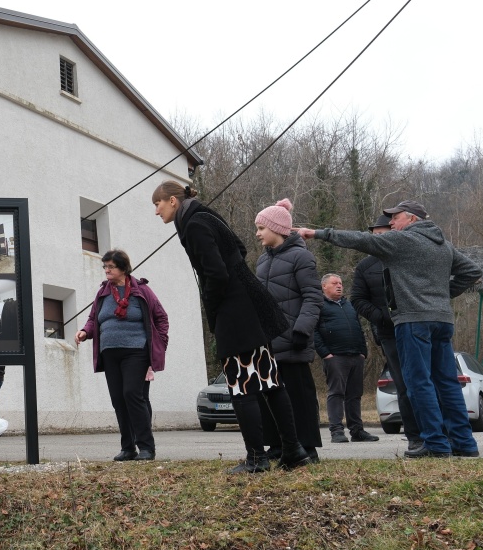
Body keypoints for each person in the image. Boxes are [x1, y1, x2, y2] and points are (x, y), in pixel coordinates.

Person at [298, 200, 483, 458]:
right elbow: (473, 271)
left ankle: (436, 444)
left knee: (419, 384)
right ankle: (465, 444)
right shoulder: (444, 245)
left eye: (395, 218)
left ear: (412, 219)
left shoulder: (402, 241)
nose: (391, 223)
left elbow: (360, 240)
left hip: (412, 321)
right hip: (442, 321)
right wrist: (441, 295)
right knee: (447, 383)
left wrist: (316, 233)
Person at [151, 181, 310, 472]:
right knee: (270, 381)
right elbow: (238, 247)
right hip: (249, 303)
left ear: (172, 201)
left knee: (241, 385)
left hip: (235, 311)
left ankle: (257, 458)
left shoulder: (195, 225)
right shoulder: (207, 216)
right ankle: (294, 451)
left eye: (157, 204)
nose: (156, 211)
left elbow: (215, 273)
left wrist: (213, 306)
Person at [75, 249, 170, 461]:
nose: (107, 270)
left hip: (137, 351)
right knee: (118, 399)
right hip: (110, 353)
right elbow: (93, 320)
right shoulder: (103, 293)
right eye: (105, 267)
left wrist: (160, 343)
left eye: (111, 267)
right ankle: (128, 448)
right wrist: (84, 332)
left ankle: (146, 447)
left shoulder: (142, 290)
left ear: (123, 268)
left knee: (132, 395)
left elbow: (161, 317)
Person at [252, 199, 324, 462]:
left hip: (294, 340)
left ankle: (308, 446)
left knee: (299, 396)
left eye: (261, 228)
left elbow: (313, 297)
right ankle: (278, 445)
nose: (258, 233)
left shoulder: (301, 257)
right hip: (267, 343)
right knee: (269, 394)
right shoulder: (261, 261)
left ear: (278, 229)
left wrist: (301, 330)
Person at [351, 214, 421, 450]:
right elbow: (358, 299)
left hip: (418, 324)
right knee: (402, 384)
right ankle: (414, 436)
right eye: (376, 235)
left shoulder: (407, 256)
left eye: (384, 233)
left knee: (425, 380)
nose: (379, 239)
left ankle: (437, 430)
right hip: (389, 333)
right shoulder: (365, 266)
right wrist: (381, 317)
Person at [314, 273, 377, 443]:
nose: (339, 286)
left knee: (355, 394)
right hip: (335, 357)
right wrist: (325, 353)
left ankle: (357, 431)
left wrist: (363, 351)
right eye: (335, 283)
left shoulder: (349, 305)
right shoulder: (318, 304)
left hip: (356, 355)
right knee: (336, 393)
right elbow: (313, 331)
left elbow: (358, 328)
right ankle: (336, 431)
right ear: (324, 286)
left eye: (341, 283)